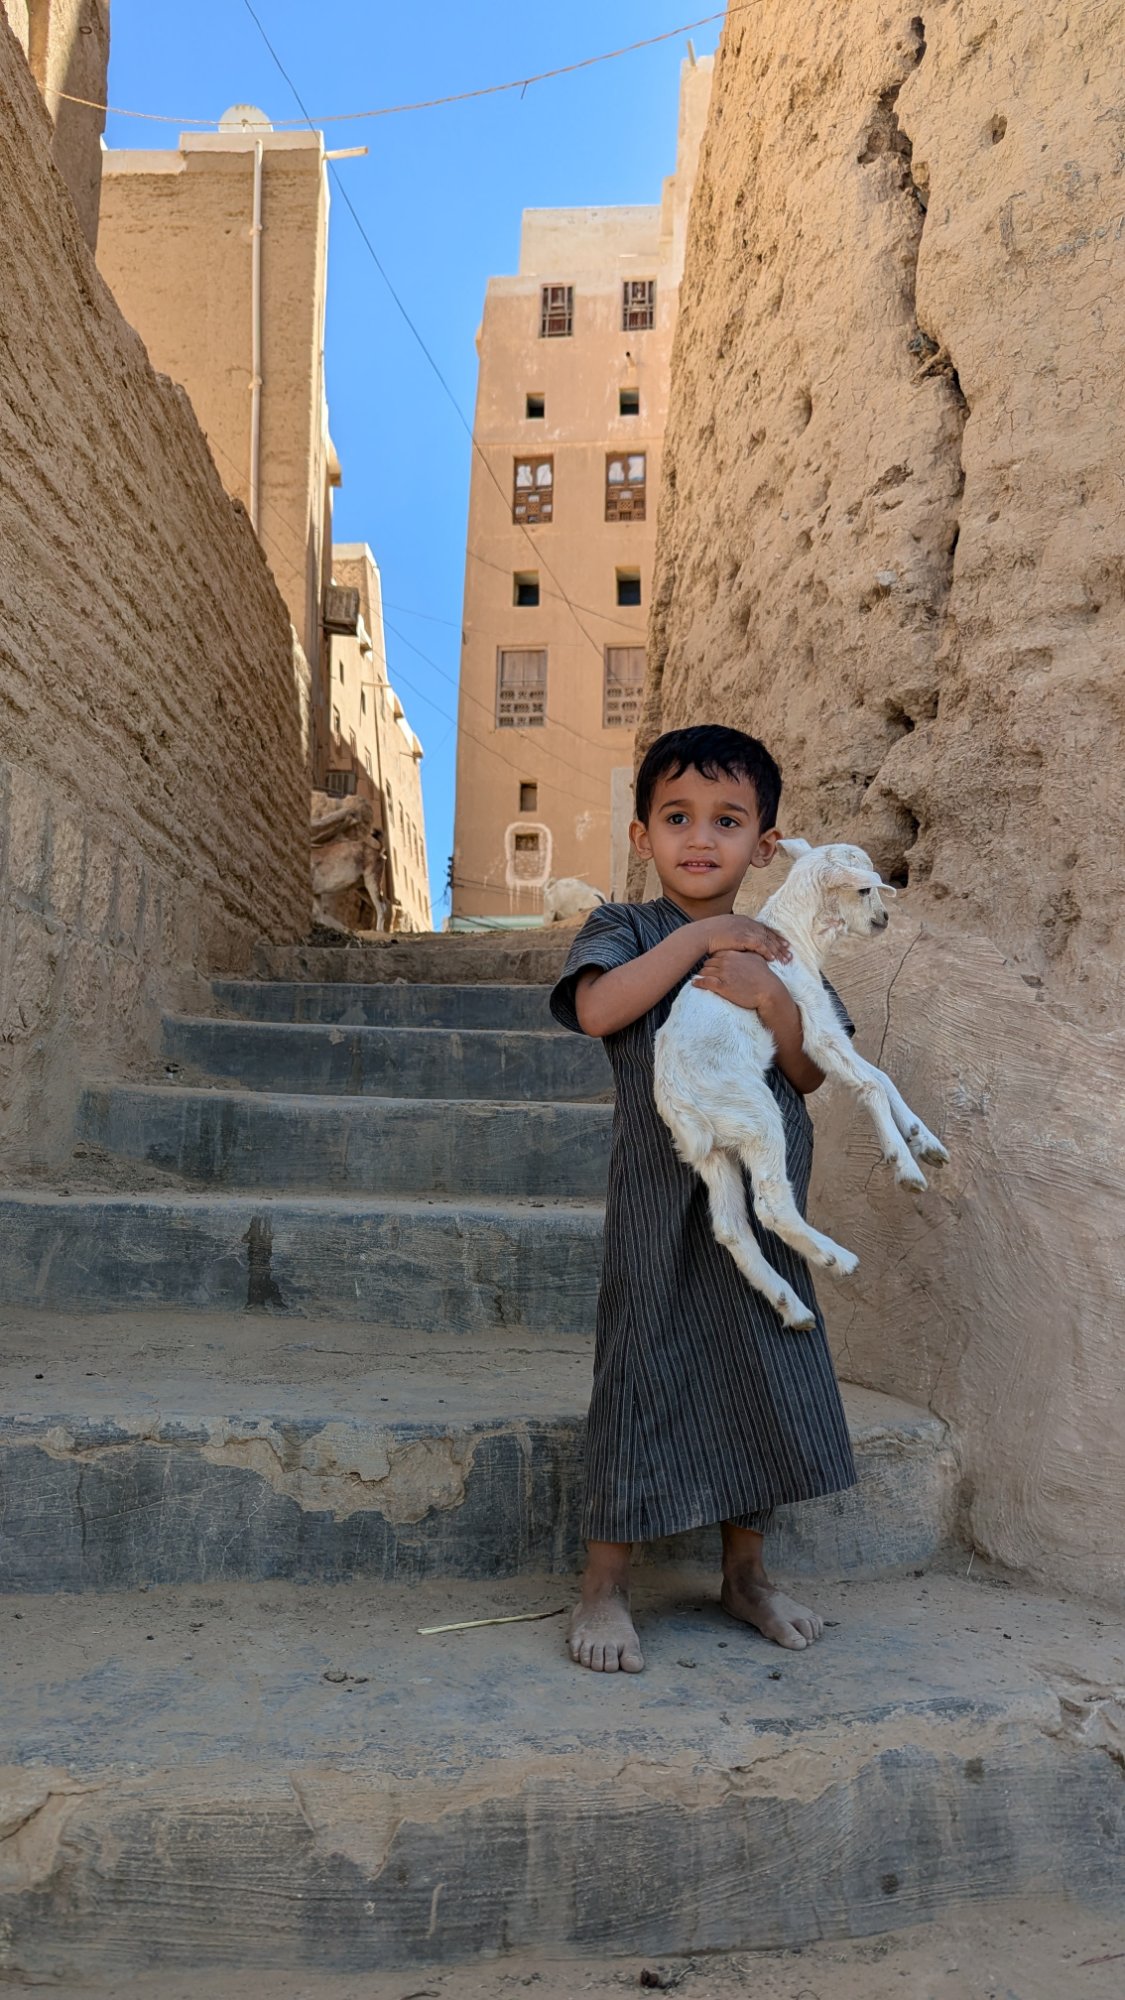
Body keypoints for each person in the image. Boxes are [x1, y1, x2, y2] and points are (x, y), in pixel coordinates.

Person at [549, 724, 857, 1674]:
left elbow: (807, 1072)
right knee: (639, 1368)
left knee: (761, 1370)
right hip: (657, 1196)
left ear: (763, 845)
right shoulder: (626, 930)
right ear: (641, 834)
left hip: (760, 1205)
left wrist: (768, 995)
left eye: (727, 821)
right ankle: (605, 1583)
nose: (699, 837)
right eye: (676, 817)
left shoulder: (783, 946)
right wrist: (703, 937)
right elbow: (598, 1009)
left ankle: (745, 1574)